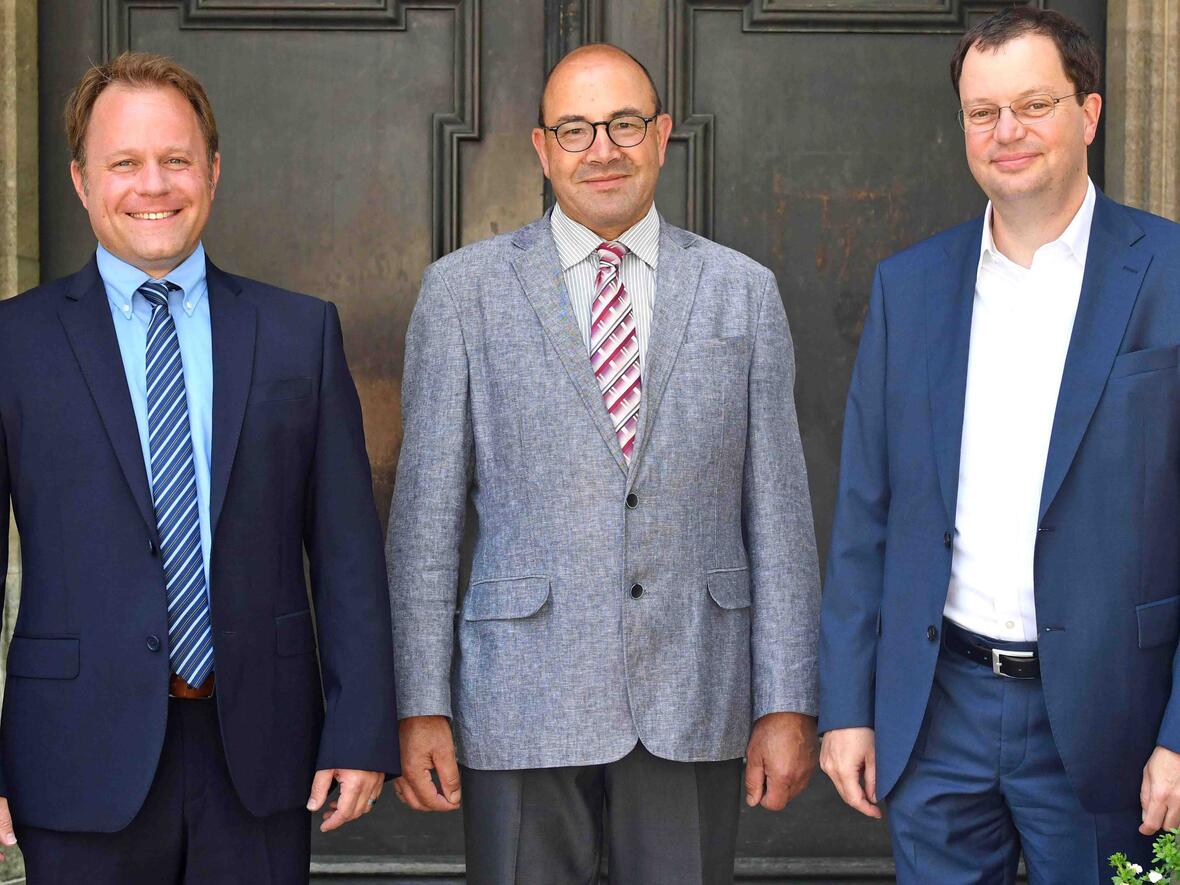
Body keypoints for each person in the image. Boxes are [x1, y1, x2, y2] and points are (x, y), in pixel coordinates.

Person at [387, 42, 820, 884]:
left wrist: (787, 700)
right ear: (542, 148)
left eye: (624, 124)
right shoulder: (462, 293)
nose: (603, 148)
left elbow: (781, 517)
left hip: (695, 689)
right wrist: (420, 703)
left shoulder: (742, 291)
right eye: (576, 129)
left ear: (662, 136)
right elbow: (425, 526)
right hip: (517, 699)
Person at [0, 51, 399, 883]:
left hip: (259, 758)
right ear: (80, 180)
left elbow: (347, 555)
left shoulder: (298, 333)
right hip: (74, 758)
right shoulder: (14, 343)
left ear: (212, 171)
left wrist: (360, 726)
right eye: (125, 163)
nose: (154, 184)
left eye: (176, 159)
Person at [818, 7, 1180, 881]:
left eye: (1033, 104)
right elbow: (868, 512)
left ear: (1088, 113)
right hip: (938, 711)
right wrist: (846, 706)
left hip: (1116, 729)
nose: (1006, 132)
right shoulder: (910, 286)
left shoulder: (1169, 275)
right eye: (983, 112)